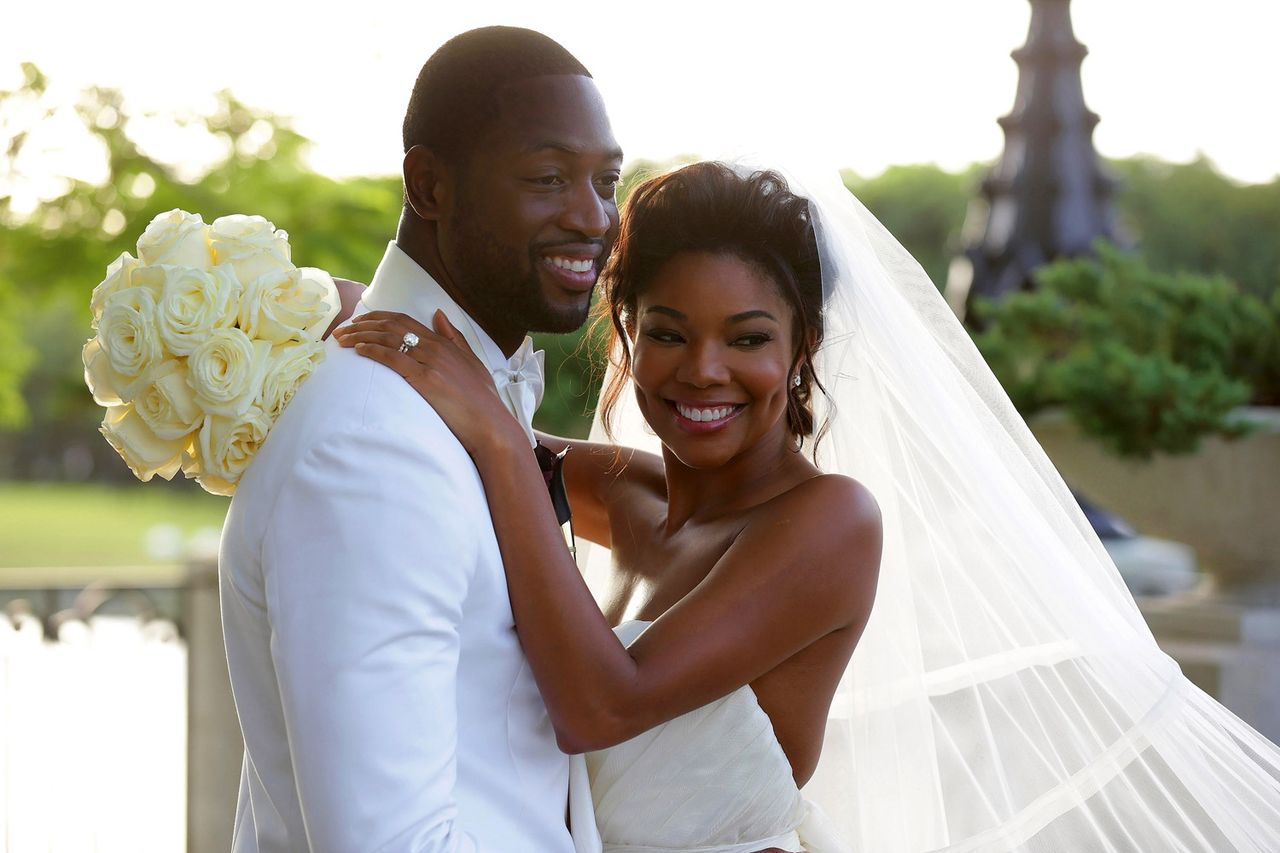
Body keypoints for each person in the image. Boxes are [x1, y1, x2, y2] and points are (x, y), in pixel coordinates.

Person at [338, 160, 1280, 852]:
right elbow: (464, 415)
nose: (704, 370)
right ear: (626, 335)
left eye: (747, 338)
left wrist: (503, 442)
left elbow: (599, 703)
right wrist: (333, 309)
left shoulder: (829, 523)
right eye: (668, 333)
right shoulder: (622, 494)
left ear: (803, 349)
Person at [218, 26, 623, 851]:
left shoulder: (456, 409)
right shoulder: (371, 445)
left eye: (605, 180)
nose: (593, 216)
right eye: (548, 178)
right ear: (430, 185)